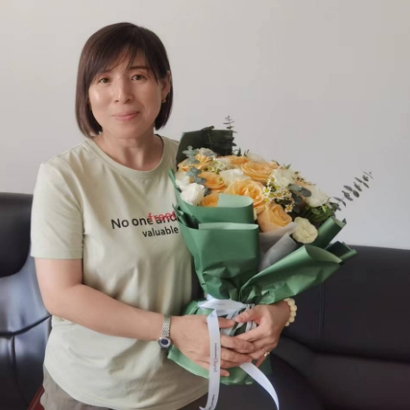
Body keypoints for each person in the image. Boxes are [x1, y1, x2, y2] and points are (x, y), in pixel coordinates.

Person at [30, 22, 291, 410]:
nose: (122, 94)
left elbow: (247, 270)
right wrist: (171, 329)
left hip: (186, 385)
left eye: (138, 76)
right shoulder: (65, 177)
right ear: (87, 93)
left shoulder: (202, 167)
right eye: (104, 79)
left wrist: (281, 310)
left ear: (164, 85)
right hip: (93, 390)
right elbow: (61, 295)